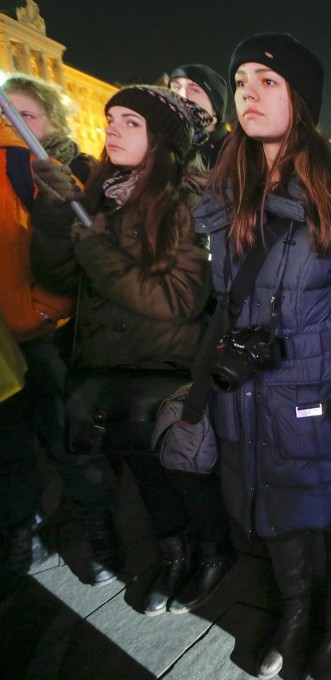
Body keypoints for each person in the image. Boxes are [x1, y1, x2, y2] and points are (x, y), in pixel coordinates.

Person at [196, 33, 331, 680]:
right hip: (246, 405)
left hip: (315, 409)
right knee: (275, 521)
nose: (248, 92)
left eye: (268, 81)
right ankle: (296, 612)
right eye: (241, 81)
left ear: (300, 102)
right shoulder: (227, 198)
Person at [29, 85, 234, 615]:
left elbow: (180, 299)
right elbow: (54, 278)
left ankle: (214, 551)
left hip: (166, 371)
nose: (113, 128)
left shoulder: (189, 199)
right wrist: (56, 218)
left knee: (182, 470)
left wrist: (95, 249)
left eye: (131, 122)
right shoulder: (101, 191)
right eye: (111, 118)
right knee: (145, 475)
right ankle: (172, 550)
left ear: (161, 139)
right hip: (109, 371)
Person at [0, 74, 95, 584]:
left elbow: (72, 251)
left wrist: (43, 309)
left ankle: (96, 528)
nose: (10, 123)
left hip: (45, 331)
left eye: (24, 115)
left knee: (65, 436)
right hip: (3, 341)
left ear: (52, 123)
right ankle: (22, 527)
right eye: (4, 112)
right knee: (11, 446)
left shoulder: (45, 169)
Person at [168, 63, 230, 168]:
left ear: (214, 110)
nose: (181, 94)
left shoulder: (240, 154)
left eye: (194, 89)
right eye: (176, 87)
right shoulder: (161, 150)